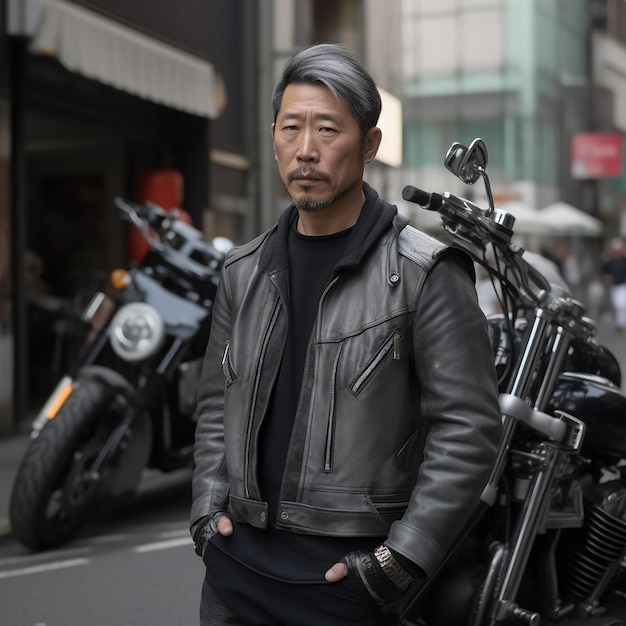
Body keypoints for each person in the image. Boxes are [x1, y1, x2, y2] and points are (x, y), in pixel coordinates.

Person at [190, 43, 502, 626]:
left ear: (370, 144)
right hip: (233, 579)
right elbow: (215, 405)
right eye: (291, 128)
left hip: (348, 584)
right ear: (274, 137)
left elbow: (468, 431)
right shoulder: (242, 271)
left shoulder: (425, 273)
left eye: (328, 130)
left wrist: (400, 560)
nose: (305, 150)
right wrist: (208, 514)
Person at [602, 237, 626, 332]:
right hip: (614, 286)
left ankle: (621, 324)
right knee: (617, 305)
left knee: (622, 304)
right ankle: (620, 323)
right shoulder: (609, 261)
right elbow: (604, 272)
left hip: (623, 285)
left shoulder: (624, 260)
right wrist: (607, 277)